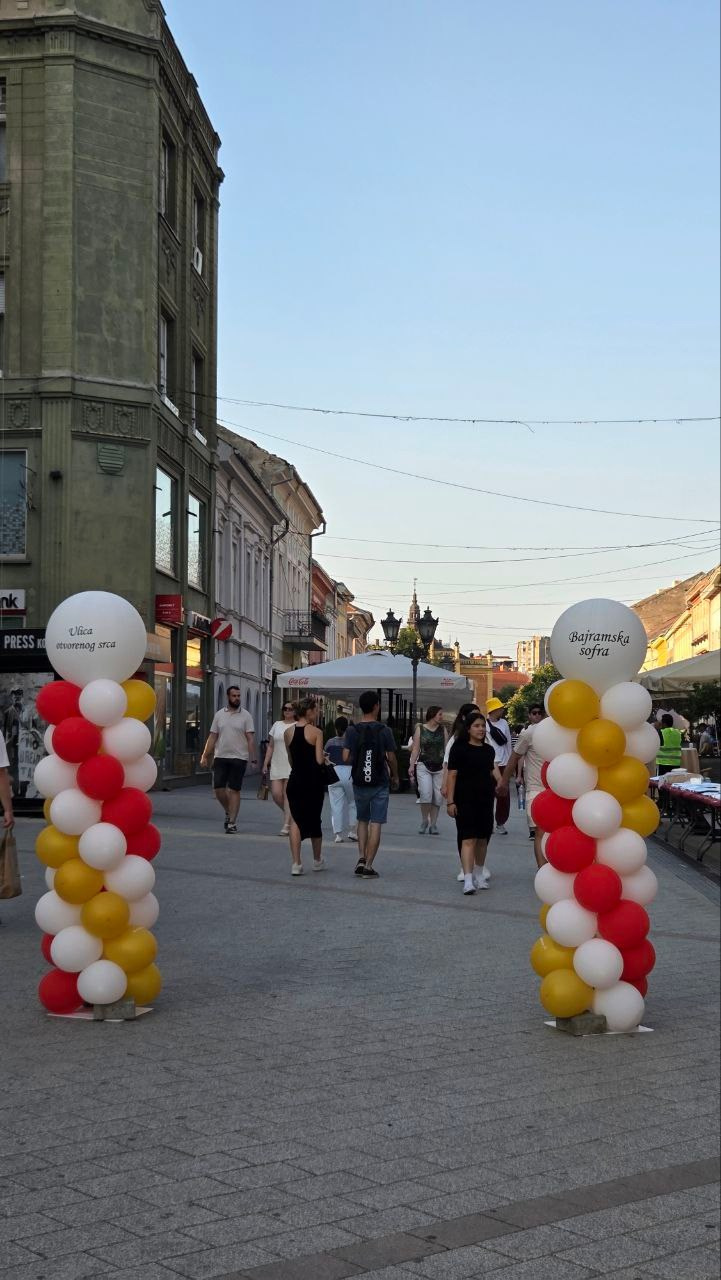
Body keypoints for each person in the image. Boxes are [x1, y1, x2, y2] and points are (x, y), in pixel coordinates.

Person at [343, 691, 399, 878]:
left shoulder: (352, 730)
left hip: (359, 782)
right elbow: (392, 757)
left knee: (362, 820)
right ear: (376, 706)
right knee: (376, 822)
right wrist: (395, 776)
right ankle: (368, 865)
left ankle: (361, 857)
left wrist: (359, 758)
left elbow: (345, 757)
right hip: (380, 781)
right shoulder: (385, 730)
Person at [446, 712, 502, 895]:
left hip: (485, 799)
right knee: (468, 838)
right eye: (477, 726)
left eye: (483, 726)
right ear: (468, 729)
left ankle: (479, 873)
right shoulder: (459, 748)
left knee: (483, 839)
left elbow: (491, 771)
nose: (481, 729)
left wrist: (500, 783)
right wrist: (450, 801)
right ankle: (468, 879)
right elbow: (452, 775)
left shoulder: (488, 750)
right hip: (464, 799)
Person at [200, 686, 258, 833]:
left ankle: (232, 822)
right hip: (221, 756)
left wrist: (253, 759)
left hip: (239, 758)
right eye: (234, 696)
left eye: (238, 696)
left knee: (234, 789)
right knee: (218, 789)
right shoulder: (219, 715)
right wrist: (205, 755)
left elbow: (250, 739)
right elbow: (213, 736)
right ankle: (229, 810)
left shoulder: (246, 716)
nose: (237, 698)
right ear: (228, 697)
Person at [497, 703, 547, 868]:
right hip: (536, 789)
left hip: (557, 790)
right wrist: (504, 781)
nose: (538, 715)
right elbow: (515, 757)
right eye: (534, 713)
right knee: (539, 831)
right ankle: (542, 870)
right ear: (529, 715)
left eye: (540, 713)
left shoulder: (557, 732)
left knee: (553, 833)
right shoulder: (528, 734)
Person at [284, 698, 326, 874]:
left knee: (295, 820)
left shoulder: (288, 732)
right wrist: (325, 757)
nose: (317, 713)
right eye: (316, 710)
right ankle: (317, 860)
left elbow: (291, 759)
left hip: (295, 781)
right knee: (315, 819)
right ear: (308, 711)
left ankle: (296, 864)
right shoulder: (316, 732)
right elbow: (319, 760)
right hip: (313, 782)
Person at [408, 705, 447, 835]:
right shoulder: (420, 729)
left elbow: (446, 750)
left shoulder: (443, 730)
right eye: (440, 714)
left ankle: (433, 824)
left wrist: (447, 767)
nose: (442, 717)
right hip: (423, 765)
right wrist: (411, 766)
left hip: (440, 767)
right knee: (425, 794)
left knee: (438, 797)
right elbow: (415, 749)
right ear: (432, 715)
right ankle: (425, 820)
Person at [262, 700, 296, 834]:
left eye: (290, 709)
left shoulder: (297, 725)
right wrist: (265, 763)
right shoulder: (277, 724)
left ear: (295, 711)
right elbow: (271, 746)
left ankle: (286, 825)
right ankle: (291, 814)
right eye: (285, 708)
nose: (287, 711)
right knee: (276, 794)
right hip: (276, 763)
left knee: (287, 795)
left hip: (291, 764)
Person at [324, 715, 358, 844]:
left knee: (336, 806)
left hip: (334, 773)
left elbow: (325, 757)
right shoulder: (351, 741)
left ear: (335, 728)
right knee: (353, 803)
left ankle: (338, 835)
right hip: (349, 773)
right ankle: (353, 831)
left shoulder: (330, 742)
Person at [485, 697, 513, 834]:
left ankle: (500, 822)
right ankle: (488, 823)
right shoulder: (483, 725)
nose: (502, 710)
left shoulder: (504, 723)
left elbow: (508, 743)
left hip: (503, 764)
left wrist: (510, 764)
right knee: (487, 796)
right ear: (494, 710)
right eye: (500, 708)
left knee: (503, 796)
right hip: (489, 764)